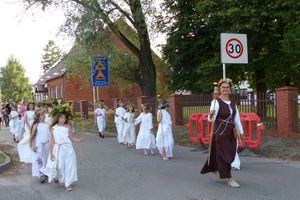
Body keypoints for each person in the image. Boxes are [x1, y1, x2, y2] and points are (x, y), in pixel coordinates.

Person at [200, 78, 244, 188]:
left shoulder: (233, 102)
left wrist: (241, 131)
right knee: (224, 155)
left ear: (230, 89)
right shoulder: (215, 102)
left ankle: (213, 168)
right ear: (220, 89)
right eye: (223, 87)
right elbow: (211, 120)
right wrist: (210, 114)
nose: (225, 89)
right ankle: (229, 178)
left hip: (231, 132)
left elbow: (236, 118)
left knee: (229, 153)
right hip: (220, 132)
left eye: (227, 87)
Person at [44, 113, 84, 191]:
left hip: (68, 148)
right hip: (58, 148)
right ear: (57, 119)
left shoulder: (67, 127)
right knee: (59, 166)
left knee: (69, 165)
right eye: (61, 118)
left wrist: (79, 140)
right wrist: (51, 153)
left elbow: (71, 138)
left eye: (64, 118)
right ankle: (57, 177)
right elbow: (52, 142)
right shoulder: (53, 128)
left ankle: (67, 183)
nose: (63, 120)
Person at [30, 109, 51, 183]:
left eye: (44, 114)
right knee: (40, 159)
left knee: (46, 159)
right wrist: (33, 145)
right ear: (38, 116)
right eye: (42, 115)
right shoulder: (36, 125)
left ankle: (46, 172)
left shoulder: (48, 124)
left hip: (47, 145)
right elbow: (32, 136)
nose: (44, 116)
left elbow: (50, 135)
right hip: (39, 145)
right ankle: (41, 174)